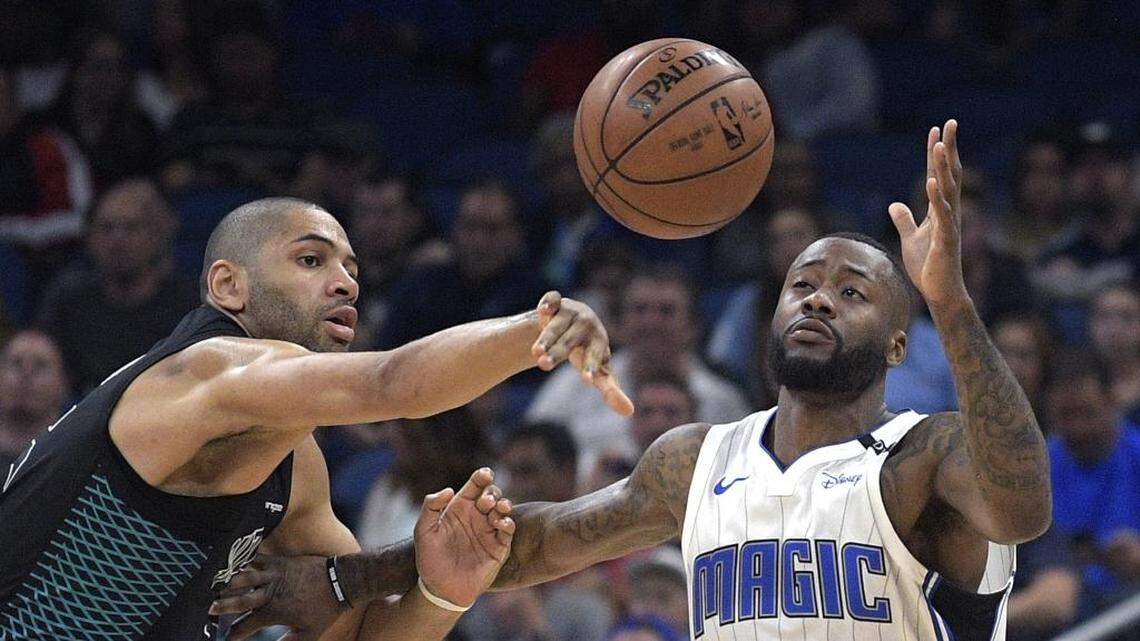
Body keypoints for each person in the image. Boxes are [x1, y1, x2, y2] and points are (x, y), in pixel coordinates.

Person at [229, 121, 1053, 640]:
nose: (817, 300)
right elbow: (535, 544)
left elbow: (1022, 508)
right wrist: (352, 574)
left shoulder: (924, 452)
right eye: (802, 284)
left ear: (900, 345)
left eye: (851, 291)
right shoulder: (697, 457)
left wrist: (950, 304)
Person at [1, 196, 632, 640]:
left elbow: (356, 635)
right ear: (229, 287)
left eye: (352, 271)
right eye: (312, 261)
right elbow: (395, 381)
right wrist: (536, 331)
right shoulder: (205, 377)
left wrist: (446, 593)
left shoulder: (295, 465)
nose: (346, 285)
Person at [35, 177, 199, 391]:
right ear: (90, 238)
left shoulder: (188, 305)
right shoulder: (68, 301)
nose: (118, 241)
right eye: (107, 228)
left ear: (154, 236)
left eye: (131, 227)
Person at [0, 331, 69, 468]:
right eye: (16, 363)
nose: (27, 373)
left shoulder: (75, 459)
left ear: (62, 384)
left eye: (40, 365)